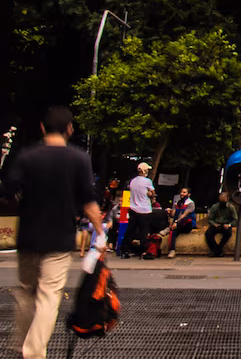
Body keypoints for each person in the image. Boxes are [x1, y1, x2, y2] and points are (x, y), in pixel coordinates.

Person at [0, 107, 104, 359]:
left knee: (27, 294)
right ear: (69, 129)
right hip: (59, 239)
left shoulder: (26, 156)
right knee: (48, 296)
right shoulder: (79, 159)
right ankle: (33, 352)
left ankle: (23, 346)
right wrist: (100, 232)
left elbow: (7, 195)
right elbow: (89, 201)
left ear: (43, 128)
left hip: (28, 238)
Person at [122, 162, 155, 259]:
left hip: (133, 209)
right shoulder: (147, 181)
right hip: (144, 210)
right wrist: (150, 194)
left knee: (130, 230)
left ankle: (125, 250)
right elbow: (153, 193)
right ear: (145, 171)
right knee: (143, 232)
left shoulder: (133, 181)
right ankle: (143, 251)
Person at [163, 187, 195, 259]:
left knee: (186, 219)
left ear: (188, 194)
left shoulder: (190, 203)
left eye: (184, 192)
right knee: (173, 232)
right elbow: (173, 215)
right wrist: (170, 212)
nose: (182, 194)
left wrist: (176, 222)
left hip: (187, 225)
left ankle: (169, 228)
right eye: (181, 192)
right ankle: (172, 250)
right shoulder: (177, 202)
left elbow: (184, 215)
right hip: (177, 225)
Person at [205, 192, 237, 256]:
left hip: (226, 224)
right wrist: (214, 224)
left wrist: (229, 225)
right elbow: (210, 219)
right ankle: (217, 250)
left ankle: (217, 249)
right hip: (216, 224)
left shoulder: (231, 207)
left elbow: (235, 219)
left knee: (227, 233)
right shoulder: (215, 207)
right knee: (208, 234)